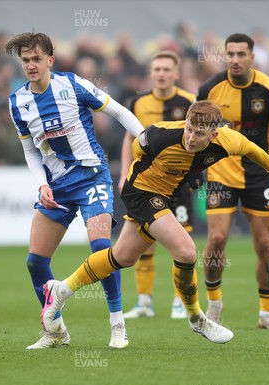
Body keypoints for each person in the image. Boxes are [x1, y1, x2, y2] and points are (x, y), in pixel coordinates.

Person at [40, 100, 269, 345]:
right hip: (141, 192)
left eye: (199, 133)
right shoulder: (160, 135)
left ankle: (59, 291)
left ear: (214, 135)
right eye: (189, 129)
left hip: (166, 196)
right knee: (185, 250)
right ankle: (196, 317)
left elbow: (250, 148)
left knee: (122, 257)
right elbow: (136, 147)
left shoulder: (228, 140)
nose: (191, 137)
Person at [5, 32, 144, 349]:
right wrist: (41, 183)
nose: (31, 65)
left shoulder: (73, 84)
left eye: (37, 59)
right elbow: (30, 151)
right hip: (57, 186)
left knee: (101, 250)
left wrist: (145, 141)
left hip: (93, 176)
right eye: (25, 60)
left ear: (50, 60)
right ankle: (55, 331)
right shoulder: (18, 103)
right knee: (35, 262)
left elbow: (119, 112)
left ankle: (118, 326)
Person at [196, 33, 269, 330]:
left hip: (259, 176)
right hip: (220, 173)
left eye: (241, 54)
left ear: (252, 57)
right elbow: (192, 130)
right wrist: (192, 168)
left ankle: (266, 314)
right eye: (230, 54)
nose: (234, 59)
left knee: (265, 244)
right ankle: (214, 304)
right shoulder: (209, 88)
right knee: (216, 239)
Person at [118, 51, 197, 320]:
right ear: (150, 73)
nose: (161, 73)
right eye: (157, 69)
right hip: (146, 184)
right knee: (145, 242)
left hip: (178, 183)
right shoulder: (138, 101)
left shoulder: (189, 102)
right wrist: (123, 174)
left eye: (166, 69)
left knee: (181, 240)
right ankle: (144, 302)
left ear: (176, 74)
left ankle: (179, 301)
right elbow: (130, 138)